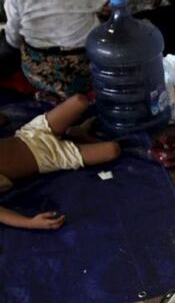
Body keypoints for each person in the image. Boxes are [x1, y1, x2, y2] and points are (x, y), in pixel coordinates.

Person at [3, 0, 160, 100]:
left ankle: (53, 95)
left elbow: (13, 36)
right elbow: (113, 4)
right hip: (84, 70)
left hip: (39, 73)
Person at [0, 94, 121, 230]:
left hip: (32, 133)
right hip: (49, 156)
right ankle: (78, 136)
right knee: (113, 150)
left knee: (79, 101)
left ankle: (74, 134)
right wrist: (30, 222)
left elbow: (3, 119)